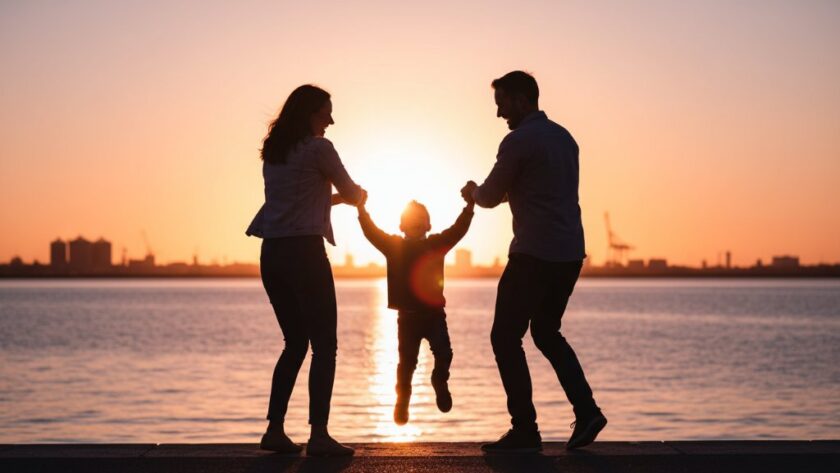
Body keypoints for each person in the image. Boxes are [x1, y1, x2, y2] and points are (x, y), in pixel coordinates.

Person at [461, 71, 606, 453]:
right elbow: (537, 188)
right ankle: (587, 410)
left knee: (505, 337)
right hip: (569, 253)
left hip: (533, 254)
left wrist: (473, 191)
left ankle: (525, 430)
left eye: (502, 104)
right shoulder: (565, 139)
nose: (499, 114)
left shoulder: (518, 141)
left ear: (522, 100)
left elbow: (489, 196)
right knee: (545, 331)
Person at [246, 84, 365, 457]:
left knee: (295, 342)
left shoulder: (275, 153)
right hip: (305, 254)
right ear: (311, 113)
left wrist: (334, 199)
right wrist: (358, 196)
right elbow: (350, 191)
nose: (331, 120)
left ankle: (274, 429)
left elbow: (298, 199)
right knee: (324, 345)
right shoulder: (319, 148)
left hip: (272, 254)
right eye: (326, 112)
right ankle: (319, 436)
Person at [356, 192, 474, 425]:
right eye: (410, 220)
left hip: (434, 316)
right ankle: (403, 399)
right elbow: (372, 232)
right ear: (401, 225)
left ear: (428, 225)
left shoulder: (436, 244)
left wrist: (469, 207)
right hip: (407, 318)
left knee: (445, 353)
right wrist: (361, 209)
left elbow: (457, 230)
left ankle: (439, 380)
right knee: (407, 363)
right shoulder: (394, 246)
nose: (415, 223)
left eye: (420, 220)